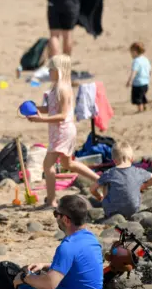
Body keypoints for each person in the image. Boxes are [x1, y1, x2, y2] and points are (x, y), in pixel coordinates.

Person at [6, 195, 103, 289]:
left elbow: (49, 284)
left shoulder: (68, 246)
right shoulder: (89, 238)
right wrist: (45, 266)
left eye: (56, 213)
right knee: (5, 269)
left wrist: (24, 278)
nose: (55, 218)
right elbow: (76, 268)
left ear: (65, 219)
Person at [26, 55, 100, 207]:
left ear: (59, 71)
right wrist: (36, 109)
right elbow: (52, 109)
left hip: (62, 131)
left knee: (47, 165)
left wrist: (40, 120)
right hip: (58, 130)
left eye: (51, 69)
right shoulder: (55, 88)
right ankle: (100, 180)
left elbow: (62, 115)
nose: (49, 71)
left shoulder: (63, 89)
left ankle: (51, 200)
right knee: (68, 164)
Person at [90, 142, 152, 219]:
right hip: (133, 210)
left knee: (106, 184)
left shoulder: (109, 173)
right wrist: (143, 186)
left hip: (112, 211)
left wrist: (99, 197)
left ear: (113, 160)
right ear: (132, 158)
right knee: (134, 182)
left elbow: (92, 189)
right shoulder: (138, 171)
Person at [126, 42, 151, 113]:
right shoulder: (145, 59)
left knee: (137, 98)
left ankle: (140, 110)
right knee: (142, 95)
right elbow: (149, 70)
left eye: (131, 53)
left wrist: (130, 81)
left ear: (135, 52)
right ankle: (144, 106)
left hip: (138, 83)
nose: (131, 55)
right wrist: (148, 78)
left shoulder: (136, 61)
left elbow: (134, 72)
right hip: (145, 83)